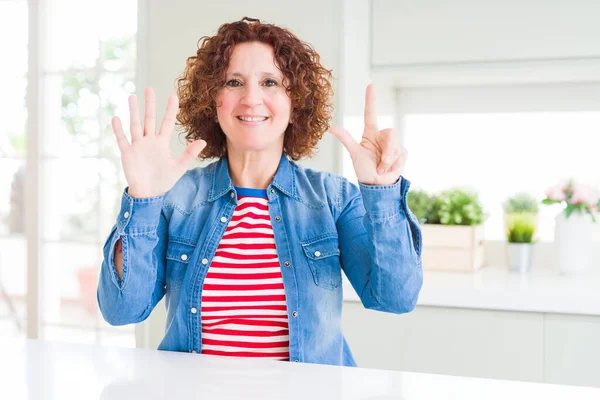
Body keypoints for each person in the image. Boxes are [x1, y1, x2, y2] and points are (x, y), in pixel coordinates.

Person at [97, 17, 422, 367]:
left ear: (294, 102)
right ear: (213, 100)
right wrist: (143, 200)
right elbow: (122, 309)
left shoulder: (334, 199)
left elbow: (395, 298)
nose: (251, 99)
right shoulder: (176, 198)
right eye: (234, 82)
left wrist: (382, 192)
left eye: (270, 82)